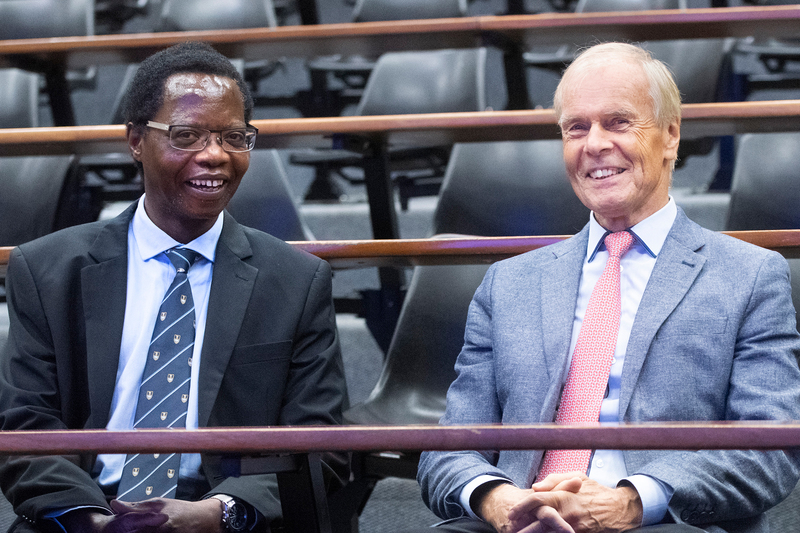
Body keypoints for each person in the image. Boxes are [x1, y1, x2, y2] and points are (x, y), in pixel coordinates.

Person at [415, 42, 800, 533]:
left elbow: (770, 448)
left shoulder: (749, 277)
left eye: (618, 122)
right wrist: (496, 499)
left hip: (665, 522)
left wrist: (631, 501)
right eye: (576, 127)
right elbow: (450, 447)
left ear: (670, 136)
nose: (594, 143)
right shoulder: (508, 283)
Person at [0, 42, 348, 533]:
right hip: (85, 510)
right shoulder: (47, 269)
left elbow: (320, 439)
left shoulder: (294, 280)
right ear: (136, 141)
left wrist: (217, 514)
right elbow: (25, 427)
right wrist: (94, 522)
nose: (214, 156)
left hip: (222, 515)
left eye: (233, 137)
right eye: (186, 135)